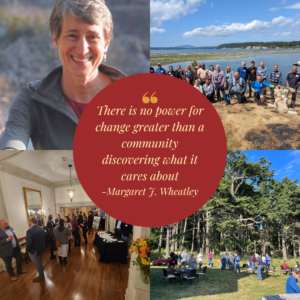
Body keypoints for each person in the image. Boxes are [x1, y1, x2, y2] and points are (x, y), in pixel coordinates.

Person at [0, 0, 125, 150]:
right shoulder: (31, 99)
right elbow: (11, 152)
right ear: (55, 40)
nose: (82, 49)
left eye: (92, 36)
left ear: (106, 43)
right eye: (72, 35)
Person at [26, 217, 46, 282]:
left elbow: (29, 243)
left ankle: (41, 276)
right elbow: (44, 238)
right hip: (41, 248)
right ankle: (41, 269)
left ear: (31, 222)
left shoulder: (29, 231)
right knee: (39, 261)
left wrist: (28, 250)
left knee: (38, 263)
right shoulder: (41, 228)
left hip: (34, 250)